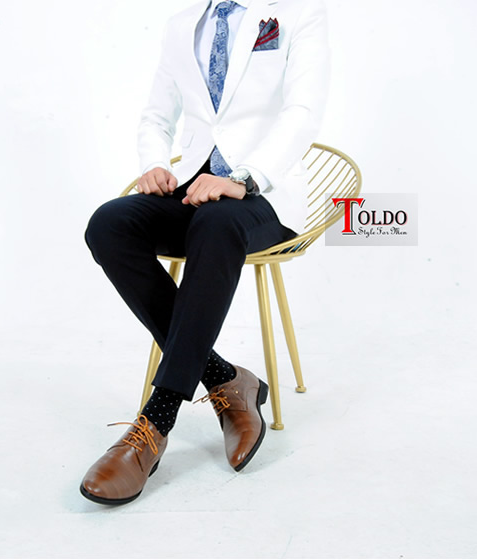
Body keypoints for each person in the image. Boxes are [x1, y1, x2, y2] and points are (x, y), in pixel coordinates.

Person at [81, 0, 330, 505]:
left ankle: (156, 420)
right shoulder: (182, 25)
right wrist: (154, 162)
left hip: (264, 194)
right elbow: (156, 115)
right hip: (193, 187)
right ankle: (224, 378)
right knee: (109, 225)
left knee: (217, 224)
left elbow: (303, 112)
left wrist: (244, 179)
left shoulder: (299, 12)